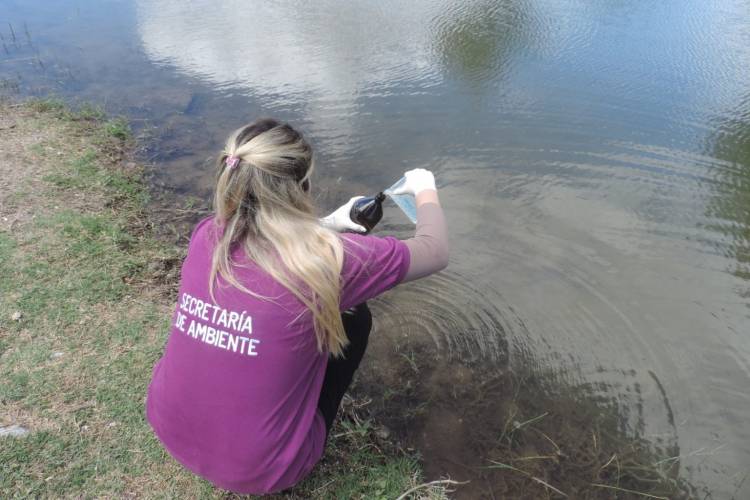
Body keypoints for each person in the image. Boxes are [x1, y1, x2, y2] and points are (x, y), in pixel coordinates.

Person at [145, 118, 448, 495]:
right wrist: (425, 188)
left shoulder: (209, 233)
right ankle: (302, 433)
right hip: (262, 472)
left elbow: (265, 239)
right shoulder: (330, 261)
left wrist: (332, 223)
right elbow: (435, 251)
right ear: (302, 185)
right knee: (354, 317)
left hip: (167, 425)